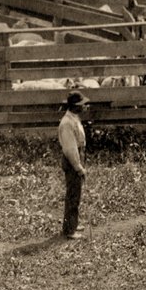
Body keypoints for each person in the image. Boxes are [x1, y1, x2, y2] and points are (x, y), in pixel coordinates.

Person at [58, 91, 89, 240]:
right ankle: (69, 229)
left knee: (76, 193)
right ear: (75, 106)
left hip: (77, 156)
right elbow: (70, 149)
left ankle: (72, 223)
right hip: (72, 161)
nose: (85, 107)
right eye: (82, 105)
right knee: (73, 195)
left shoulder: (74, 118)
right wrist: (78, 167)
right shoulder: (67, 123)